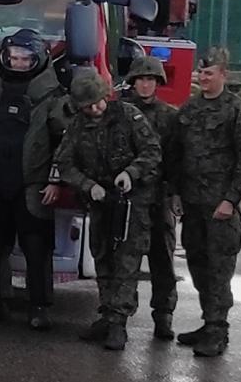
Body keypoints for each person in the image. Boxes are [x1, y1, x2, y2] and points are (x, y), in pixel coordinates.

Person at [0, 29, 67, 330]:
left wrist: (55, 180)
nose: (19, 63)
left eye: (25, 59)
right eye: (14, 58)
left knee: (36, 246)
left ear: (38, 59)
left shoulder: (52, 94)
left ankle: (38, 307)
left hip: (33, 183)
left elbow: (65, 141)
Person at [57, 72, 163, 351]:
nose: (94, 109)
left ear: (106, 95)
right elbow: (65, 164)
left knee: (127, 261)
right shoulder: (78, 126)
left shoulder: (129, 116)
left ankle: (119, 323)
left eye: (97, 103)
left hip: (131, 200)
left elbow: (152, 151)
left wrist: (131, 173)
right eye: (87, 106)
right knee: (102, 256)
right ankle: (106, 314)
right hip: (100, 200)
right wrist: (88, 185)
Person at [168, 48, 241, 357]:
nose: (203, 78)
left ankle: (218, 330)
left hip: (220, 207)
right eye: (200, 73)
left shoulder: (238, 109)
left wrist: (232, 199)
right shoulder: (189, 110)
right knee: (198, 265)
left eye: (209, 73)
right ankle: (208, 322)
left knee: (220, 269)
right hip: (192, 205)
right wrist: (176, 192)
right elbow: (176, 156)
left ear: (224, 74)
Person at [121, 54, 182, 340]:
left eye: (150, 80)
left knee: (163, 260)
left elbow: (177, 157)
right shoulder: (119, 111)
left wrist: (174, 193)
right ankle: (119, 314)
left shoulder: (170, 116)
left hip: (159, 197)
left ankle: (163, 314)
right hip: (128, 197)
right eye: (141, 80)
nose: (145, 85)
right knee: (125, 259)